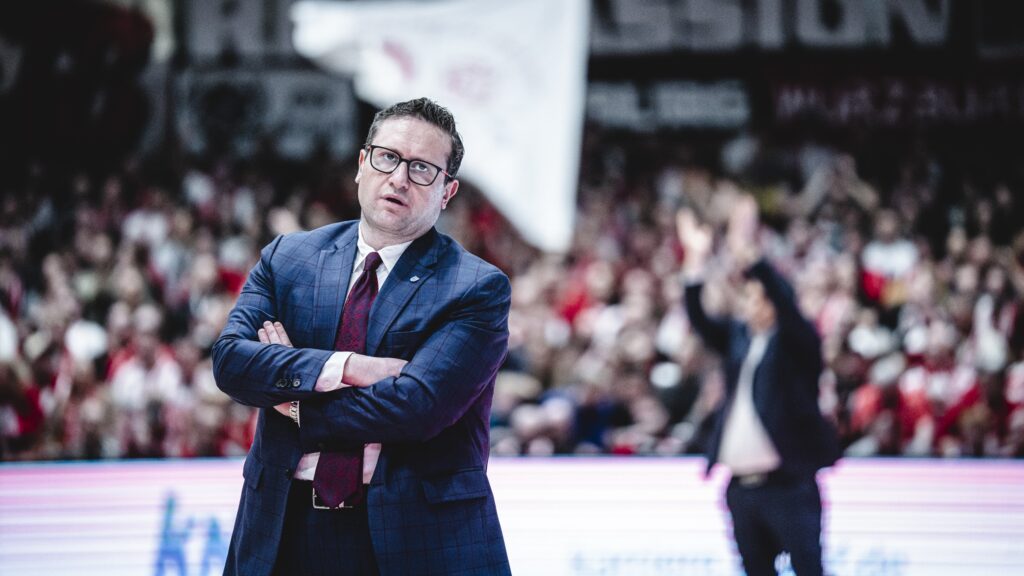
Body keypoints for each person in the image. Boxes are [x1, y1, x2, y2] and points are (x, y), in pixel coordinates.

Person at [213, 98, 512, 576]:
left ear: (447, 191)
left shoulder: (477, 287)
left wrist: (292, 399)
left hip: (420, 539)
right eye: (387, 157)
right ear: (361, 164)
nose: (399, 178)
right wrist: (347, 367)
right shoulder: (287, 258)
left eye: (422, 168)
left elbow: (416, 408)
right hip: (281, 527)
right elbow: (231, 362)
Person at [676, 196, 840, 576]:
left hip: (788, 485)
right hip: (741, 489)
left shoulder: (797, 344)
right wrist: (695, 259)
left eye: (754, 295)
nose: (747, 303)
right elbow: (700, 319)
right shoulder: (740, 340)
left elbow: (786, 303)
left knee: (808, 570)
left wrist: (747, 253)